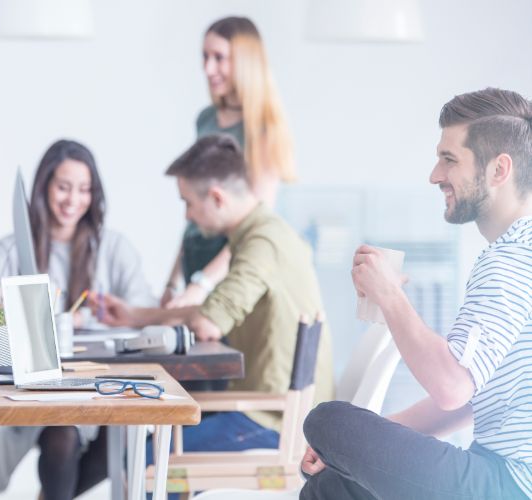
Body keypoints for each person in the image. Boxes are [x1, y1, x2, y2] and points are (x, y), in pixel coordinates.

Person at [298, 89, 532, 499]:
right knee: (331, 486)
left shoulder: (508, 263)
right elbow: (464, 399)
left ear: (499, 170)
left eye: (449, 159)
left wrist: (389, 296)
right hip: (497, 474)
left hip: (506, 483)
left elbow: (451, 387)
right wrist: (367, 446)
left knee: (326, 420)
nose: (435, 175)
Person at [93, 134, 332, 455]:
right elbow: (210, 312)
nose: (187, 216)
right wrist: (135, 315)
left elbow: (208, 323)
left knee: (146, 460)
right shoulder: (263, 234)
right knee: (141, 451)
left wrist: (142, 316)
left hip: (276, 422)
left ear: (217, 198)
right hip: (271, 410)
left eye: (188, 203)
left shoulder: (263, 244)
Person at [0, 139, 154, 500]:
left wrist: (119, 314)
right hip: (36, 393)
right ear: (44, 187)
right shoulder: (13, 248)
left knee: (128, 431)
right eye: (63, 187)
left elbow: (144, 314)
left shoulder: (113, 248)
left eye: (84, 189)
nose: (72, 200)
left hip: (102, 385)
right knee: (62, 432)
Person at [163, 16, 295, 309]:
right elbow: (194, 208)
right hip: (197, 256)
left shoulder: (264, 130)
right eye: (205, 57)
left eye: (219, 58)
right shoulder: (205, 119)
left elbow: (255, 224)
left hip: (236, 264)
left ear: (245, 62)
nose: (208, 68)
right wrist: (174, 281)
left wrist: (203, 284)